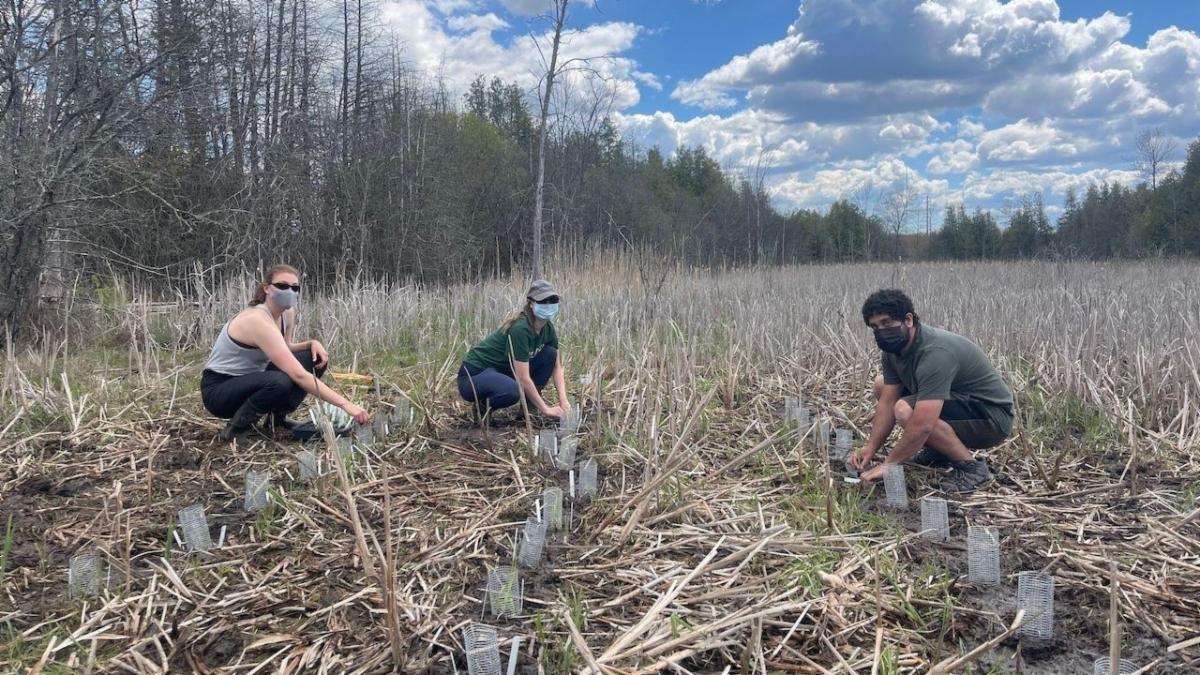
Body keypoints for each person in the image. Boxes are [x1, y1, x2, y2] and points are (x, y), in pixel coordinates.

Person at [849, 289, 1013, 492]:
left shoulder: (934, 353)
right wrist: (871, 448)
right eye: (875, 327)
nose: (881, 332)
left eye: (887, 323)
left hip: (991, 418)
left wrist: (889, 464)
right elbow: (887, 401)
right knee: (881, 385)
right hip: (958, 404)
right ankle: (940, 450)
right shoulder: (893, 351)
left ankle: (972, 468)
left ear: (908, 320)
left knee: (905, 410)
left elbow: (923, 423)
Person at [201, 264, 370, 441]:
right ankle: (236, 429)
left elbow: (285, 347)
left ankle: (277, 421)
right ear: (267, 288)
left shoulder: (287, 313)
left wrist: (311, 343)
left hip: (252, 378)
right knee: (279, 381)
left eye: (294, 288)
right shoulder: (257, 320)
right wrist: (346, 405)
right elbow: (299, 375)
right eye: (282, 286)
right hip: (220, 390)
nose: (289, 291)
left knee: (314, 358)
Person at [458, 279, 571, 422]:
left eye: (553, 300)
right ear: (531, 303)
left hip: (501, 372)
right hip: (474, 375)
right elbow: (522, 378)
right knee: (512, 390)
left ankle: (529, 411)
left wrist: (563, 401)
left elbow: (556, 366)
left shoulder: (547, 328)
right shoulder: (521, 329)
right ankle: (482, 408)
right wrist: (546, 409)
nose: (548, 305)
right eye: (543, 301)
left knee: (550, 354)